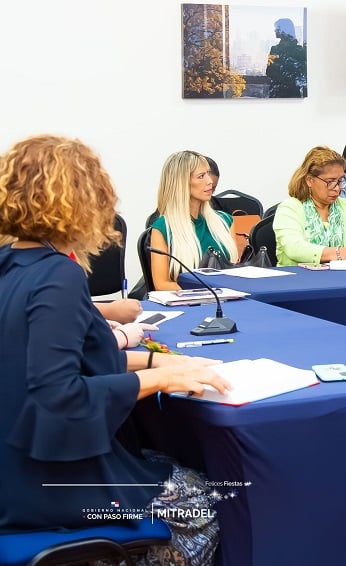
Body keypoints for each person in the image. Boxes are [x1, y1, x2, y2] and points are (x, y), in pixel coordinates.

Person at [0, 134, 231, 564]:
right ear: (87, 200)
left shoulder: (10, 264)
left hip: (13, 464)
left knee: (163, 459)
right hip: (47, 481)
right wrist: (161, 377)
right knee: (208, 499)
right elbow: (60, 397)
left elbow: (59, 359)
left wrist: (159, 360)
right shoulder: (58, 276)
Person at [150, 150, 238, 290]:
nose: (210, 181)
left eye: (208, 174)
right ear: (181, 183)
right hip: (190, 304)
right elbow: (161, 284)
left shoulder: (225, 221)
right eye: (201, 176)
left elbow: (233, 271)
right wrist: (207, 293)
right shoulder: (163, 228)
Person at [273, 146, 346, 265]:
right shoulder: (290, 208)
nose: (337, 188)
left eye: (340, 181)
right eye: (330, 182)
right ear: (309, 180)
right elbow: (294, 248)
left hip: (342, 279)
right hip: (298, 279)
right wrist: (340, 253)